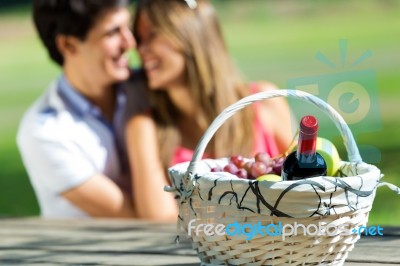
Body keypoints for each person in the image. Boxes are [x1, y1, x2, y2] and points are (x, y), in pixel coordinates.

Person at [125, 0, 294, 217]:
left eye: (152, 35)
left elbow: (304, 189)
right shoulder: (145, 128)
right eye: (140, 39)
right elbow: (158, 221)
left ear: (192, 36)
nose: (140, 49)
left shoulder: (264, 101)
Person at [17, 0, 177, 221]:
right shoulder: (45, 132)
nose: (130, 43)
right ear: (68, 45)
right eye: (113, 32)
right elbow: (138, 222)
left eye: (127, 27)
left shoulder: (149, 86)